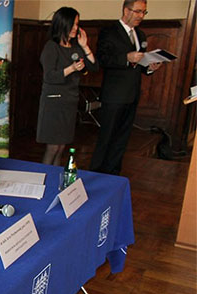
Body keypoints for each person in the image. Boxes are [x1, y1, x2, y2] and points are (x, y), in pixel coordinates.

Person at [90, 0, 162, 175]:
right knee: (107, 137)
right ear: (126, 10)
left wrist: (150, 68)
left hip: (132, 94)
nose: (141, 16)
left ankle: (113, 174)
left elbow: (139, 65)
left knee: (122, 139)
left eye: (144, 12)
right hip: (114, 95)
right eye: (138, 11)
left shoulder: (141, 35)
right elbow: (102, 59)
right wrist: (126, 58)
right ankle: (95, 174)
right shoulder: (109, 31)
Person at [36, 7, 98, 165]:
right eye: (73, 24)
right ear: (63, 24)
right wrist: (72, 68)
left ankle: (55, 177)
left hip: (69, 101)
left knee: (61, 147)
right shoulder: (51, 46)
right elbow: (49, 76)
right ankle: (43, 177)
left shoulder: (76, 47)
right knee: (52, 147)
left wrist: (85, 46)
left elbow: (94, 66)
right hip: (54, 102)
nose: (76, 28)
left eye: (77, 24)